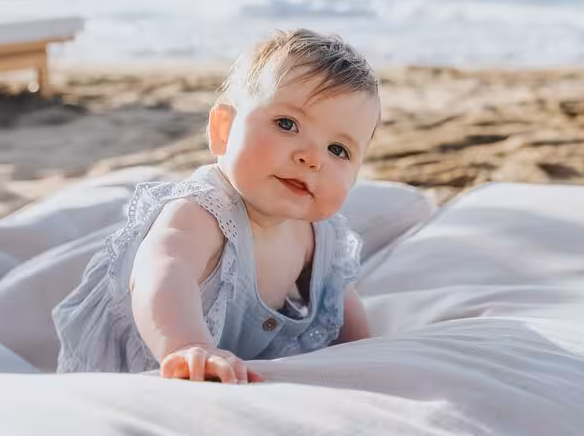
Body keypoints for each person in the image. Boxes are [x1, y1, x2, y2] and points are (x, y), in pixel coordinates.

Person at [52, 28, 380, 384]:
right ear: (224, 129)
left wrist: (370, 357)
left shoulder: (318, 236)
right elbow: (162, 270)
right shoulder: (202, 211)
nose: (312, 158)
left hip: (228, 370)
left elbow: (342, 307)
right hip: (138, 365)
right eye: (287, 124)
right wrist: (187, 346)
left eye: (338, 150)